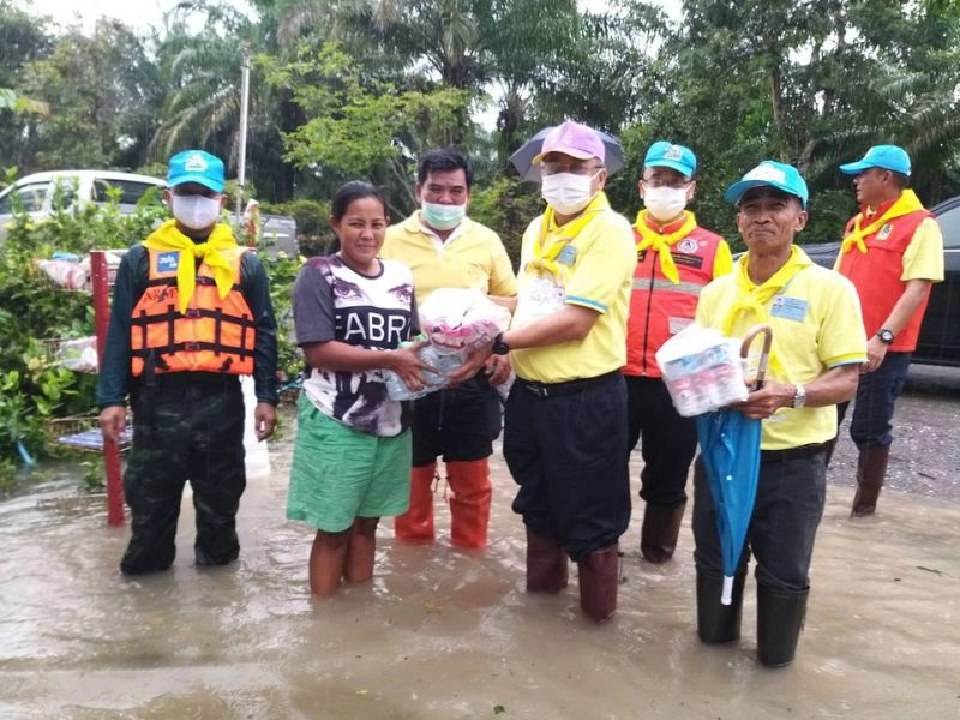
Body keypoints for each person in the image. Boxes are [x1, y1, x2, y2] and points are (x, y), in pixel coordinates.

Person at [452, 120, 637, 623]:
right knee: (538, 509)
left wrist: (497, 340)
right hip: (531, 398)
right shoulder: (538, 229)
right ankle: (541, 631)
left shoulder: (611, 231)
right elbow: (534, 305)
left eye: (575, 167)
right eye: (553, 166)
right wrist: (495, 340)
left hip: (587, 400)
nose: (562, 176)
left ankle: (597, 641)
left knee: (594, 525)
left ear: (599, 177)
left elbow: (578, 321)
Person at [692, 161, 866, 667]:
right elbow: (699, 368)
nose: (762, 216)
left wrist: (790, 394)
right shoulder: (716, 292)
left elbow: (848, 377)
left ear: (801, 219)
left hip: (793, 459)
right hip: (722, 452)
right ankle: (711, 668)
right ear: (739, 221)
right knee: (714, 563)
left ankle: (774, 670)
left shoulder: (831, 289)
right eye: (751, 206)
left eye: (776, 205)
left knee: (784, 575)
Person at [97, 150, 278, 575]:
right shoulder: (140, 260)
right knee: (150, 520)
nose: (195, 201)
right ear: (169, 197)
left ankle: (217, 614)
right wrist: (111, 399)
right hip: (157, 404)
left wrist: (267, 397)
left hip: (222, 401)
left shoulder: (244, 263)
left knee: (220, 520)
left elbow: (264, 333)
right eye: (187, 192)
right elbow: (121, 331)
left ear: (220, 201)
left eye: (205, 194)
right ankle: (147, 614)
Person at [288, 181, 432, 597]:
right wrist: (390, 359)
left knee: (369, 524)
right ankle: (325, 623)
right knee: (334, 528)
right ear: (336, 224)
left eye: (376, 224)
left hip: (391, 420)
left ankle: (357, 615)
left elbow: (412, 342)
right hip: (335, 416)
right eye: (355, 224)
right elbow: (317, 351)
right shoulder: (318, 274)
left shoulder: (402, 278)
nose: (367, 234)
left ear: (388, 225)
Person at [380, 149, 517, 550]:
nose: (445, 200)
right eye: (436, 190)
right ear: (419, 190)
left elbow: (509, 300)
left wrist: (500, 348)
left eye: (455, 191)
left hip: (471, 378)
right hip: (409, 376)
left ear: (468, 195)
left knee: (472, 482)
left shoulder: (486, 240)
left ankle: (470, 561)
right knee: (410, 483)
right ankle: (412, 564)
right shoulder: (388, 240)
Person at [625, 141, 732, 564]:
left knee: (669, 474)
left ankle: (657, 553)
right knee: (605, 465)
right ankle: (602, 546)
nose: (664, 189)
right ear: (641, 186)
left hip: (680, 383)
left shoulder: (712, 247)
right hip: (617, 373)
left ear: (691, 189)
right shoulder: (618, 238)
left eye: (675, 182)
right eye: (657, 180)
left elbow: (726, 316)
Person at [833, 145, 944, 517]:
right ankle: (808, 498)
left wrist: (882, 338)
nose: (856, 180)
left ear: (886, 177)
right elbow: (837, 284)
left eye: (863, 173)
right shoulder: (858, 223)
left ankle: (863, 510)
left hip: (883, 349)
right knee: (822, 420)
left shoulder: (920, 224)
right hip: (840, 345)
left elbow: (918, 286)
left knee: (868, 428)